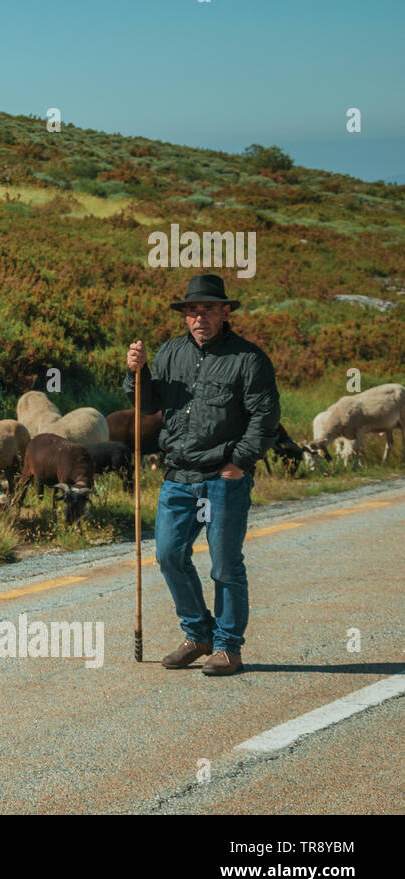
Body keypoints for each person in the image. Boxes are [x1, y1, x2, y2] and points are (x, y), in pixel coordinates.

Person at [125, 274, 280, 676]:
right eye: (193, 311)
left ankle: (228, 647)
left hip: (222, 475)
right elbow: (147, 405)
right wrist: (136, 372)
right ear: (185, 316)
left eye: (208, 310)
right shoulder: (170, 353)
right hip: (178, 473)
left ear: (225, 312)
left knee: (225, 564)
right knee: (169, 555)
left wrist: (238, 463)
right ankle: (199, 634)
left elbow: (265, 417)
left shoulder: (249, 358)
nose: (200, 318)